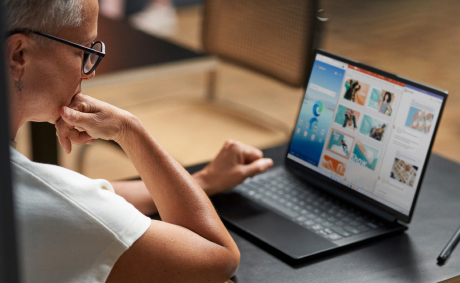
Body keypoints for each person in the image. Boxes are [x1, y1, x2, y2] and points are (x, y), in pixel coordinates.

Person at [4, 0, 274, 282]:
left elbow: (80, 197)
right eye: (82, 51)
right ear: (19, 55)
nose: (90, 71)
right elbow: (219, 257)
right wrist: (129, 130)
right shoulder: (39, 197)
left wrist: (203, 180)